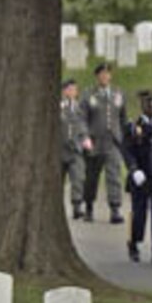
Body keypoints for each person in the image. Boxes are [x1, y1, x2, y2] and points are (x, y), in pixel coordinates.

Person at [81, 63, 128, 223]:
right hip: (94, 141)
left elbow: (123, 117)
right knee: (91, 176)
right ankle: (89, 207)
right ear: (97, 76)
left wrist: (124, 137)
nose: (104, 76)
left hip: (113, 141)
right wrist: (85, 137)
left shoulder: (118, 94)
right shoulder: (89, 94)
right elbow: (82, 118)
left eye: (107, 73)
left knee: (114, 175)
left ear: (110, 76)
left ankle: (115, 209)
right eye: (101, 73)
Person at [122, 91, 152, 263]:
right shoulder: (133, 127)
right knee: (139, 213)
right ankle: (134, 243)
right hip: (140, 177)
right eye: (148, 103)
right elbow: (127, 150)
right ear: (142, 105)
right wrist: (134, 169)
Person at [60, 79, 93, 220]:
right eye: (70, 89)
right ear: (64, 91)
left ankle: (77, 206)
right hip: (60, 149)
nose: (73, 92)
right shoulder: (59, 107)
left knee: (78, 179)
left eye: (75, 90)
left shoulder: (79, 109)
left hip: (76, 149)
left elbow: (83, 126)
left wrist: (86, 138)